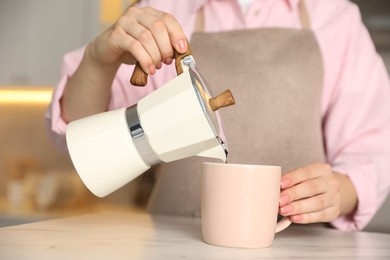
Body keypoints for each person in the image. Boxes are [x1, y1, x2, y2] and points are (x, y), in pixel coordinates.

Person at [46, 0, 390, 232]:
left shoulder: (334, 15)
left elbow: (373, 148)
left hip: (303, 246)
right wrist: (98, 59)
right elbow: (83, 138)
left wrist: (339, 191)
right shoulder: (165, 10)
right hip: (175, 246)